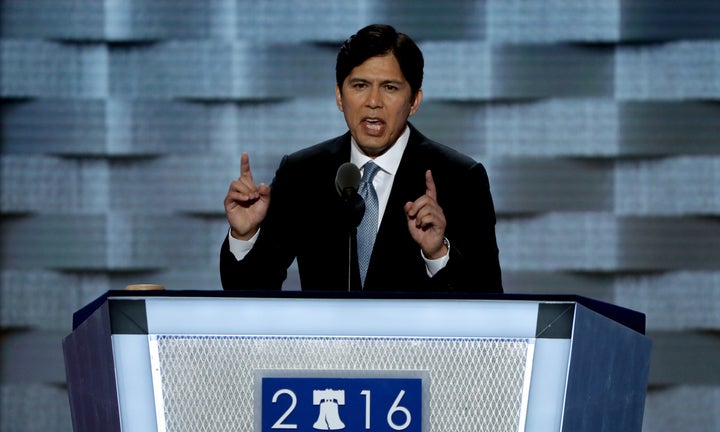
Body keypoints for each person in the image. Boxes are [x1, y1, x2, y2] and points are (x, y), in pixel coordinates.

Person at [221, 24, 502, 293]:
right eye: (360, 85)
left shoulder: (460, 178)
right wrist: (244, 237)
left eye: (390, 87)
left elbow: (490, 304)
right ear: (339, 97)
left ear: (414, 101)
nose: (373, 101)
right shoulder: (302, 174)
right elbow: (250, 293)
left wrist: (437, 255)